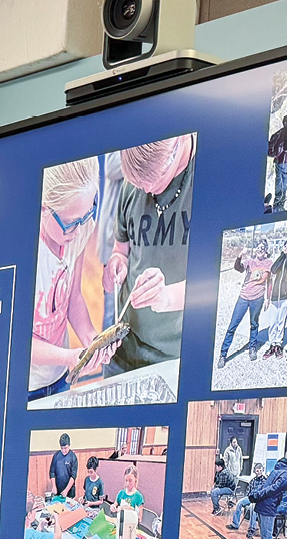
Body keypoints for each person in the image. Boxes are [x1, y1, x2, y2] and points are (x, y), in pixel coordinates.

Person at [102, 136, 193, 378]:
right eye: (138, 184)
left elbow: (218, 284)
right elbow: (121, 249)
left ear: (180, 143)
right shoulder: (133, 184)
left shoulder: (209, 182)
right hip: (121, 351)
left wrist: (166, 297)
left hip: (173, 360)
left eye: (153, 182)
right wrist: (116, 263)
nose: (145, 191)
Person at [29, 157, 104, 402]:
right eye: (71, 223)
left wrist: (92, 340)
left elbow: (73, 297)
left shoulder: (79, 231)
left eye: (87, 215)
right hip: (25, 387)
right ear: (43, 207)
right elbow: (16, 343)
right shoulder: (27, 254)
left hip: (60, 377)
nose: (79, 229)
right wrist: (68, 356)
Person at [219, 238, 271, 364]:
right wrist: (239, 256)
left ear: (266, 251)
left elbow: (270, 282)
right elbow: (238, 268)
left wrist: (268, 298)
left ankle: (252, 347)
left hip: (258, 299)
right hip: (244, 297)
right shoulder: (250, 261)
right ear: (256, 249)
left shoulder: (269, 263)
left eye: (263, 248)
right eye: (259, 247)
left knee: (254, 324)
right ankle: (223, 354)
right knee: (232, 326)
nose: (260, 250)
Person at [261, 236, 287, 360]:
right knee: (273, 322)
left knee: (281, 322)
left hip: (285, 295)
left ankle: (278, 344)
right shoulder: (281, 258)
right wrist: (282, 255)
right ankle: (272, 344)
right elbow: (273, 269)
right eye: (285, 246)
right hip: (275, 295)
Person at [268, 115, 287, 212]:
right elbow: (286, 147)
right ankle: (280, 201)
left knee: (279, 179)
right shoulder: (286, 132)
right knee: (282, 179)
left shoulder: (280, 132)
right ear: (286, 122)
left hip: (279, 159)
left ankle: (278, 200)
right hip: (284, 160)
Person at [47, 433, 79, 498]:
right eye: (62, 448)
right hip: (58, 491)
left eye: (65, 448)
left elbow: (73, 476)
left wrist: (66, 490)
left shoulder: (73, 457)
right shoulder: (56, 455)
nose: (64, 450)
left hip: (69, 492)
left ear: (69, 445)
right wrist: (54, 486)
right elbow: (52, 472)